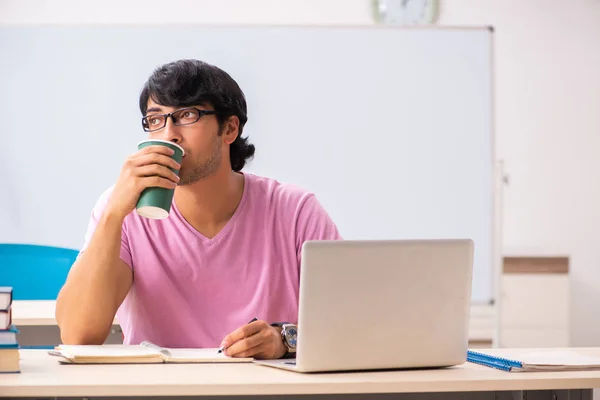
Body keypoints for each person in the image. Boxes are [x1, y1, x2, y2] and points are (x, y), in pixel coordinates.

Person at [55, 59, 342, 360]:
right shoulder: (124, 211)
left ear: (229, 128)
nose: (169, 134)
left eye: (187, 115)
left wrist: (286, 340)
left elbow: (350, 321)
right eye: (156, 120)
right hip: (159, 390)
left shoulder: (295, 211)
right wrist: (113, 215)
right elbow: (77, 336)